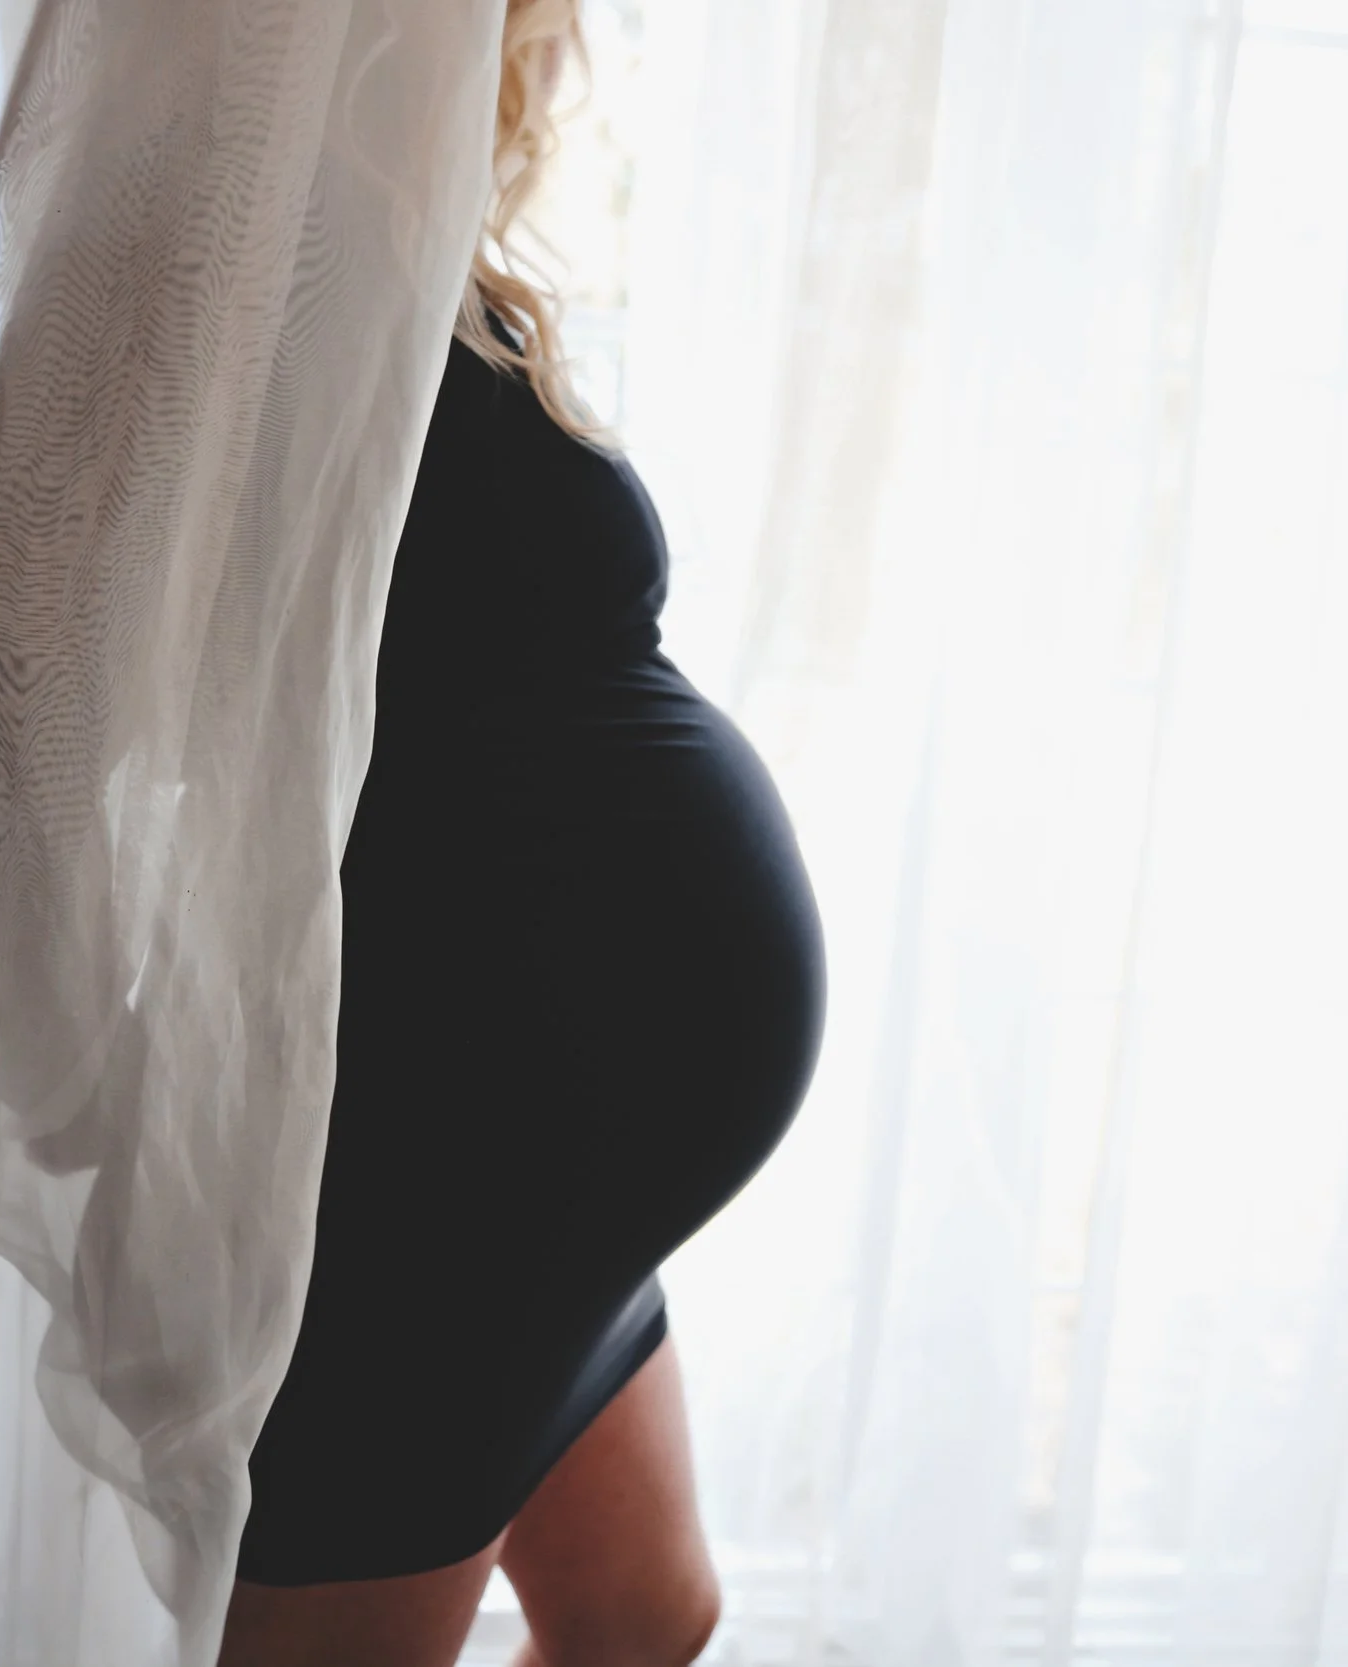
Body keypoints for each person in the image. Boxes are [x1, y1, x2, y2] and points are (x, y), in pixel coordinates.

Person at [215, 3, 826, 1663]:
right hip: (439, 1171)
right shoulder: (190, 269)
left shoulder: (403, 250)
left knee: (642, 1620)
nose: (561, 47)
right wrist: (138, 1121)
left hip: (551, 1193)